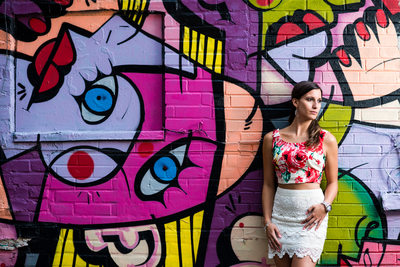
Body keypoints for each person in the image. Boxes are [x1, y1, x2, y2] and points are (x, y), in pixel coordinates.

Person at [262, 81, 338, 267]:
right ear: (295, 102)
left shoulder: (325, 139)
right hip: (281, 217)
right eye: (309, 99)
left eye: (319, 101)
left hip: (311, 219)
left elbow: (332, 182)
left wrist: (325, 206)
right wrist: (267, 222)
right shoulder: (272, 139)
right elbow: (268, 184)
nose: (315, 106)